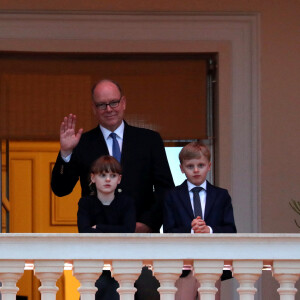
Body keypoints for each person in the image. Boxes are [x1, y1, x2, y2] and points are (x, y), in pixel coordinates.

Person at [51, 79, 174, 299]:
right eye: (102, 104)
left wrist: (145, 224)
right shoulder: (83, 142)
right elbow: (60, 189)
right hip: (99, 248)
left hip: (142, 244)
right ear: (94, 108)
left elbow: (165, 190)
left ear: (124, 102)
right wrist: (66, 153)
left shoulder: (149, 140)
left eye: (114, 102)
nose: (109, 109)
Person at [163, 142, 236, 300]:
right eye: (190, 166)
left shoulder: (221, 195)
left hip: (211, 265)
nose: (196, 170)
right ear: (182, 168)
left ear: (209, 166)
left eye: (201, 165)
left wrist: (208, 230)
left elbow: (230, 229)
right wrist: (191, 230)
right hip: (182, 267)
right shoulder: (172, 196)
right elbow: (168, 230)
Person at [77, 155, 135, 300]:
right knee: (96, 288)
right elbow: (85, 231)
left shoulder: (127, 202)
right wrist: (114, 229)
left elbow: (128, 231)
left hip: (122, 265)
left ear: (119, 179)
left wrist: (99, 227)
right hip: (94, 265)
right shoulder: (86, 203)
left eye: (113, 175)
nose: (108, 179)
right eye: (103, 175)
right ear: (93, 178)